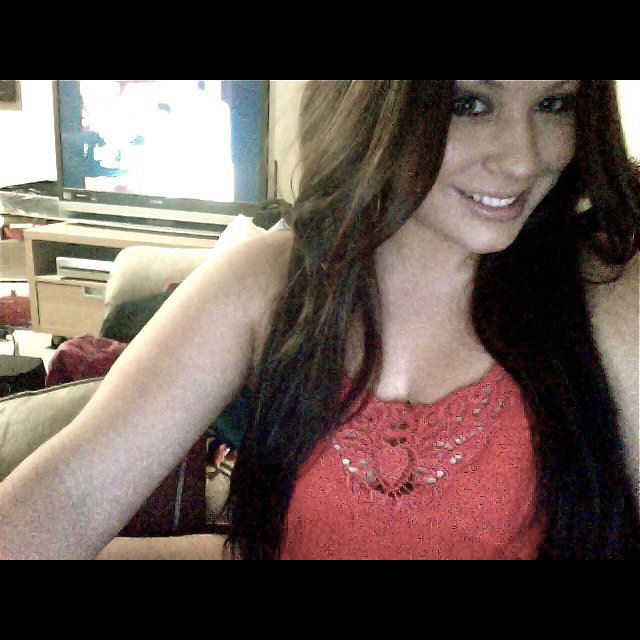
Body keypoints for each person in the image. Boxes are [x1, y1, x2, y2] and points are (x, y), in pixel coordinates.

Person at [0, 80, 638, 560]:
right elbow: (69, 494)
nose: (523, 158)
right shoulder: (265, 285)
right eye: (469, 103)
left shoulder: (607, 291)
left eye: (555, 102)